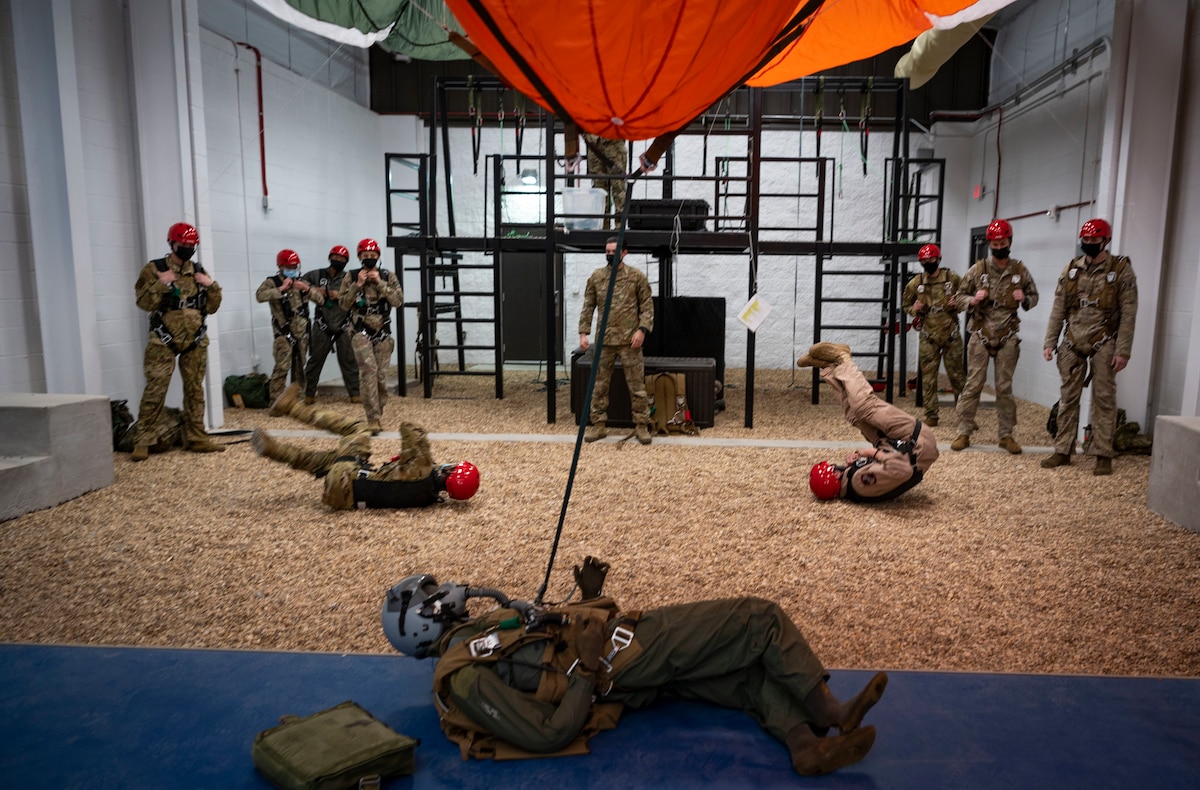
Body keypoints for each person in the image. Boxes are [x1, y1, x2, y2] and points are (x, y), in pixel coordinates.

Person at [381, 561, 888, 777]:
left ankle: (806, 747)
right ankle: (831, 708)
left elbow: (540, 647)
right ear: (423, 622)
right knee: (757, 619)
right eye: (433, 596)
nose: (446, 592)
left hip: (610, 659)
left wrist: (586, 598)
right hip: (620, 657)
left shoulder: (473, 639)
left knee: (742, 677)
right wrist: (590, 659)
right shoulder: (463, 675)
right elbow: (547, 733)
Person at [251, 383, 478, 509]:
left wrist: (424, 455)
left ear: (450, 471)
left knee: (357, 430)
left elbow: (409, 428)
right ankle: (272, 450)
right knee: (326, 460)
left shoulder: (422, 469)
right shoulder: (427, 497)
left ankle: (291, 406)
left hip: (348, 478)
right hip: (340, 496)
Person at [1041, 218, 1138, 476]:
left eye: (1095, 241)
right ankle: (1062, 449)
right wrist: (1050, 341)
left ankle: (1103, 453)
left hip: (1104, 341)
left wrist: (1123, 350)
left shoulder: (1121, 270)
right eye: (1086, 241)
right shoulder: (1071, 269)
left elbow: (1129, 312)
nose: (1090, 245)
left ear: (1105, 241)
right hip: (1072, 341)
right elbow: (1058, 308)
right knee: (1068, 398)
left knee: (1104, 399)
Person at [130, 221, 225, 461]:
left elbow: (212, 307)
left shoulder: (199, 271)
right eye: (183, 244)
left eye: (192, 245)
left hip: (194, 340)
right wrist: (161, 284)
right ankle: (144, 439)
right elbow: (143, 302)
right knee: (155, 389)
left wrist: (211, 286)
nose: (188, 248)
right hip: (164, 340)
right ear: (172, 243)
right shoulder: (155, 269)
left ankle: (197, 437)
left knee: (195, 390)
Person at [797, 343, 939, 502]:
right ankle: (843, 359)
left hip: (900, 445)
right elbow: (903, 469)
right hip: (919, 443)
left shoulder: (853, 483)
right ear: (835, 475)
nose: (837, 466)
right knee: (864, 407)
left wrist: (856, 461)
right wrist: (868, 453)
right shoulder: (860, 482)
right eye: (833, 467)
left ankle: (830, 368)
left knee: (854, 416)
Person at [950, 219, 1039, 454]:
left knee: (1004, 387)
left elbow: (1034, 296)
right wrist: (973, 300)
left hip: (1008, 334)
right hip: (981, 333)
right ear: (990, 244)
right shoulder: (978, 270)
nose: (999, 246)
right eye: (995, 242)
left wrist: (1025, 299)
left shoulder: (1019, 270)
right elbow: (958, 298)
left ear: (1010, 242)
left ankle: (1006, 435)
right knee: (973, 384)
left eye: (1003, 241)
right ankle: (964, 431)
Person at [578, 237, 655, 444]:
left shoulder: (636, 277)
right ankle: (599, 425)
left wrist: (642, 330)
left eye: (614, 251)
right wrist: (583, 333)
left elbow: (647, 306)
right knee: (599, 385)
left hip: (630, 340)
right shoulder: (597, 277)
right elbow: (588, 306)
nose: (610, 254)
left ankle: (641, 426)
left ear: (624, 252)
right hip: (604, 341)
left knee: (637, 385)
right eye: (607, 251)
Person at [338, 238, 403, 435]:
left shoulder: (388, 276)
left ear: (378, 257)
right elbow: (343, 304)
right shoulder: (350, 277)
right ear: (359, 258)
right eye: (365, 256)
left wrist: (380, 283)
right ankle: (372, 418)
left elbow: (398, 301)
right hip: (360, 330)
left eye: (372, 256)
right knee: (368, 372)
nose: (369, 259)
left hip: (382, 331)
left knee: (381, 377)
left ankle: (378, 410)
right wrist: (357, 286)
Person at [902, 243, 965, 426]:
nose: (928, 263)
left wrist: (958, 303)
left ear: (938, 259)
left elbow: (968, 297)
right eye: (925, 261)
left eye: (931, 260)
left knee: (957, 376)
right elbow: (906, 305)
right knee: (928, 378)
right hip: (928, 336)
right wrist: (914, 310)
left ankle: (964, 415)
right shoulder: (916, 283)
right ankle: (931, 414)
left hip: (951, 335)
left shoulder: (952, 279)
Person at [301, 245, 361, 405]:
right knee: (315, 360)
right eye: (336, 257)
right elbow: (299, 284)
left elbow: (361, 299)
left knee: (349, 361)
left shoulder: (349, 278)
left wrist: (342, 295)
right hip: (322, 324)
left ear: (347, 261)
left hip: (344, 324)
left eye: (342, 259)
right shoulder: (316, 274)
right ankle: (309, 394)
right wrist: (315, 290)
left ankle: (355, 394)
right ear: (330, 258)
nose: (338, 261)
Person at [256, 249, 311, 402]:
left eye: (295, 267)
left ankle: (299, 397)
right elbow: (259, 296)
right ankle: (276, 399)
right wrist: (281, 289)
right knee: (282, 366)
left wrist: (307, 289)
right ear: (280, 266)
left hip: (302, 331)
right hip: (283, 331)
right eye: (289, 267)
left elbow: (320, 300)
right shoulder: (272, 282)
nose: (292, 270)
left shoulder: (302, 283)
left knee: (301, 366)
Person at [583, 133, 628, 227]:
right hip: (594, 142)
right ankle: (603, 227)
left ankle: (619, 229)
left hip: (613, 140)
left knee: (618, 187)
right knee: (599, 190)